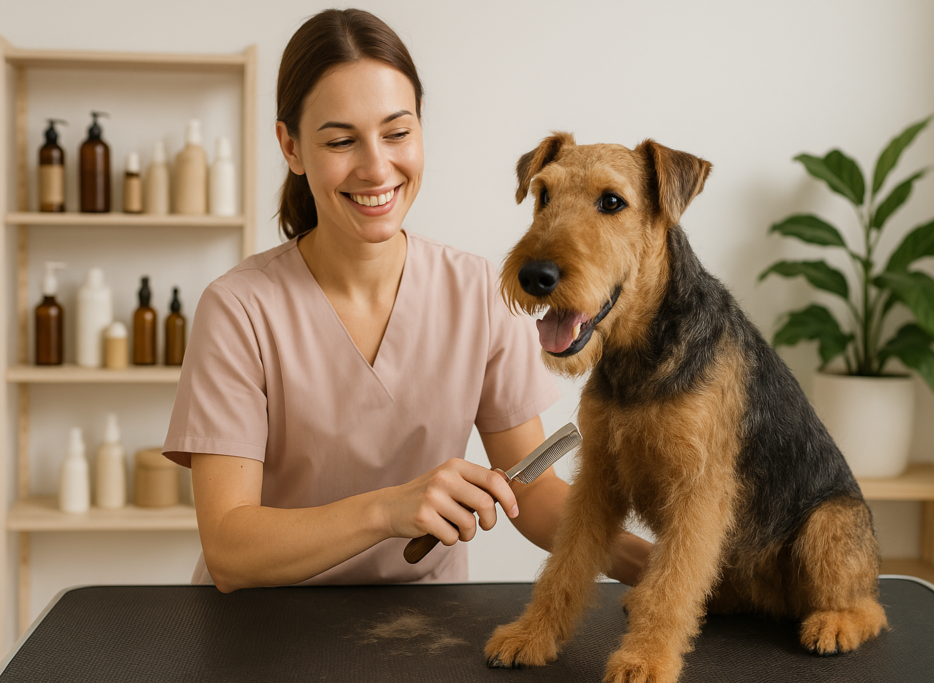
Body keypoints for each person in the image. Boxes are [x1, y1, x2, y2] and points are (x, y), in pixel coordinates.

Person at [163, 7, 650, 592]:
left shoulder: (477, 291)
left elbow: (534, 491)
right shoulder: (239, 310)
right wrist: (389, 510)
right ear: (290, 147)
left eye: (398, 133)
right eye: (341, 140)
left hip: (425, 630)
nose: (376, 168)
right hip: (263, 629)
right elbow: (229, 549)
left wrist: (658, 569)